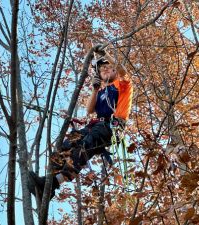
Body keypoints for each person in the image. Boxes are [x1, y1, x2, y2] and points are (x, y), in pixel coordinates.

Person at [28, 46, 133, 200]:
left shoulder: (123, 85)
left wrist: (106, 54)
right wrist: (95, 89)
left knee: (85, 146)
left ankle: (54, 183)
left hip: (111, 126)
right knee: (69, 142)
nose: (104, 70)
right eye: (101, 69)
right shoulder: (103, 91)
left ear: (114, 70)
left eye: (108, 68)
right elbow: (90, 110)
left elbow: (123, 71)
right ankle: (47, 183)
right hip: (95, 125)